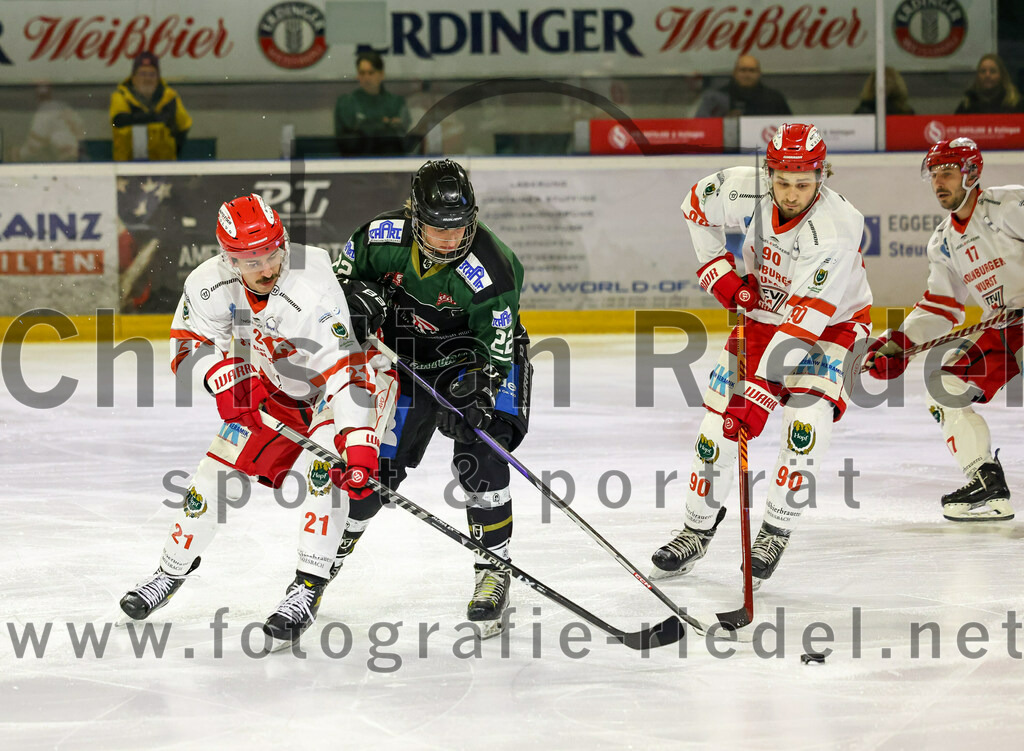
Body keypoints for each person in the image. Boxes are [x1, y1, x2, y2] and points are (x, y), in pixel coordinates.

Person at [263, 159, 531, 643]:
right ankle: (319, 571)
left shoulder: (493, 268)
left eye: (459, 226)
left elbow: (497, 346)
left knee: (482, 449)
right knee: (371, 474)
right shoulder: (378, 237)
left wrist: (480, 390)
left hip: (473, 360)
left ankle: (494, 567)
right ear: (414, 213)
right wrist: (358, 303)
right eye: (437, 227)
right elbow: (335, 291)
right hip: (400, 364)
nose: (450, 239)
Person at [119, 194, 398, 627]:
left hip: (349, 384)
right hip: (273, 385)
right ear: (228, 259)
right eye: (251, 261)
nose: (267, 268)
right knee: (215, 470)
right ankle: (169, 570)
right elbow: (187, 344)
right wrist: (221, 375)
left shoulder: (311, 284)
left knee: (322, 476)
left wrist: (359, 444)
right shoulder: (206, 283)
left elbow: (345, 370)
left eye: (272, 253)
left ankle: (306, 589)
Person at [650, 123, 871, 590]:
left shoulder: (836, 229)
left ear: (822, 176)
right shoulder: (743, 187)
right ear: (769, 172)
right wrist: (721, 276)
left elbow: (805, 322)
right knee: (718, 426)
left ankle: (774, 529)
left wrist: (761, 394)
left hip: (832, 326)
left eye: (804, 183)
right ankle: (695, 528)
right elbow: (694, 206)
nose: (791, 194)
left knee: (806, 423)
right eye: (783, 181)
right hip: (764, 317)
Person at [865, 137, 1021, 522]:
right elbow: (941, 304)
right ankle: (985, 480)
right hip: (1008, 326)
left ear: (972, 173)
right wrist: (899, 343)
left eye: (948, 173)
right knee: (943, 382)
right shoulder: (944, 241)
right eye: (935, 174)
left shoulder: (1010, 205)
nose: (939, 182)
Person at [110, 51, 192, 161]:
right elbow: (118, 120)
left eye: (152, 74)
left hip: (163, 167)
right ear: (133, 77)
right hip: (127, 167)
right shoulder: (121, 96)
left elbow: (184, 127)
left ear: (158, 77)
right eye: (142, 74)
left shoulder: (170, 97)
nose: (147, 79)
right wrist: (156, 118)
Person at [334, 50, 411, 156]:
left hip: (390, 163)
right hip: (354, 163)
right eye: (362, 73)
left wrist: (365, 125)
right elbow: (348, 140)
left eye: (371, 73)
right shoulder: (346, 102)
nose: (366, 78)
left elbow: (400, 135)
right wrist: (384, 122)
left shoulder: (396, 102)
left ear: (381, 74)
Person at [695, 55, 792, 118]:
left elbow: (789, 129)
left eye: (752, 70)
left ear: (759, 73)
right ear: (734, 73)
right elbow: (702, 127)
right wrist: (725, 121)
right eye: (743, 70)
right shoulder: (717, 98)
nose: (747, 75)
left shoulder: (774, 99)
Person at [15, 83, 84, 162]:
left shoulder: (45, 111)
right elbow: (80, 129)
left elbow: (35, 143)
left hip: (66, 157)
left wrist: (19, 154)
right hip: (78, 156)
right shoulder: (64, 106)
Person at [955, 54, 1023, 115]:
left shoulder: (1014, 103)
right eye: (983, 71)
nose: (987, 75)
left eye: (993, 71)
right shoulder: (967, 104)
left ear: (1002, 76)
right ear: (978, 76)